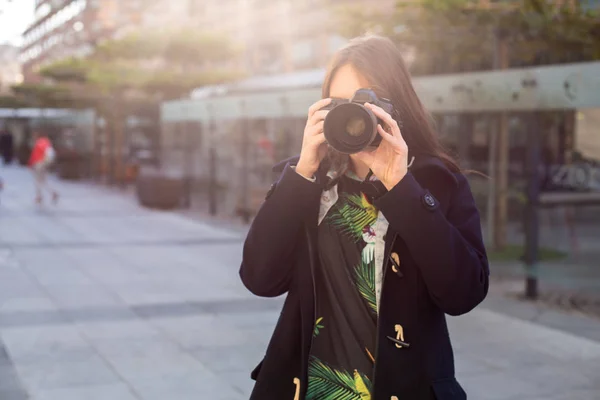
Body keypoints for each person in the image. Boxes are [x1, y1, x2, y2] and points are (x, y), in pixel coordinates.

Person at [240, 35, 489, 400]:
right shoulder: (308, 181)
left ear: (396, 105)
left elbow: (464, 293)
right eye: (338, 102)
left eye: (365, 101)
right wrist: (303, 169)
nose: (352, 115)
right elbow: (259, 278)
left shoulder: (437, 182)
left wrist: (402, 187)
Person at [28, 132, 59, 205]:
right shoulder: (47, 143)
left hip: (38, 163)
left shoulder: (38, 143)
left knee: (37, 180)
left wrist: (30, 164)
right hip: (44, 163)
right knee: (44, 180)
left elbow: (34, 155)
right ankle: (52, 192)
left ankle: (39, 196)